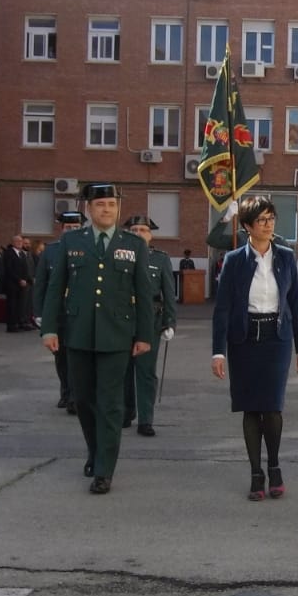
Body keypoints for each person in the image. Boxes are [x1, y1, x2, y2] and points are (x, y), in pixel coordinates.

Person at [39, 183, 157, 495]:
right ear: (88, 209)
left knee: (111, 403)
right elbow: (55, 288)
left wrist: (145, 334)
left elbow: (143, 293)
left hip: (117, 335)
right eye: (101, 204)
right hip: (76, 334)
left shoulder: (133, 244)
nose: (107, 209)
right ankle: (95, 450)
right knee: (83, 400)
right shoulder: (71, 242)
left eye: (112, 204)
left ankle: (105, 468)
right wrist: (49, 328)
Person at [210, 196, 298, 501]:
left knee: (273, 407)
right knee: (251, 408)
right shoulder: (234, 260)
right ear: (247, 227)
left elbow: (296, 304)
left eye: (271, 219)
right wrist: (218, 351)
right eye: (262, 220)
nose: (268, 225)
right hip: (244, 340)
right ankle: (256, 473)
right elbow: (223, 309)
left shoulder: (286, 257)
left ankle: (275, 466)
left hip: (276, 338)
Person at [121, 215, 176, 436]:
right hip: (122, 320)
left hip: (150, 320)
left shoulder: (160, 259)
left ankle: (146, 419)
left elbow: (169, 293)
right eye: (134, 230)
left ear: (150, 235)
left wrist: (169, 322)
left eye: (143, 230)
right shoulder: (118, 256)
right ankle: (126, 412)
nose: (138, 234)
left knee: (145, 372)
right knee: (123, 370)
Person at [34, 210, 84, 414]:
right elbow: (41, 285)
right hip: (59, 313)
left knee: (79, 355)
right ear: (62, 229)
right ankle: (66, 391)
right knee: (61, 356)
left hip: (81, 312)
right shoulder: (51, 251)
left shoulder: (88, 249)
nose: (72, 230)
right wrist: (39, 313)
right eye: (68, 227)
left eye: (76, 227)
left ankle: (76, 396)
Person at [2, 234, 33, 332]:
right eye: (18, 241)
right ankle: (11, 325)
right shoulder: (9, 253)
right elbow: (9, 269)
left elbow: (25, 269)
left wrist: (27, 279)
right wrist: (19, 279)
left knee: (20, 304)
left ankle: (19, 322)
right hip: (12, 284)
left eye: (21, 242)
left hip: (22, 284)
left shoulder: (22, 254)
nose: (20, 243)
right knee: (12, 305)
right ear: (13, 242)